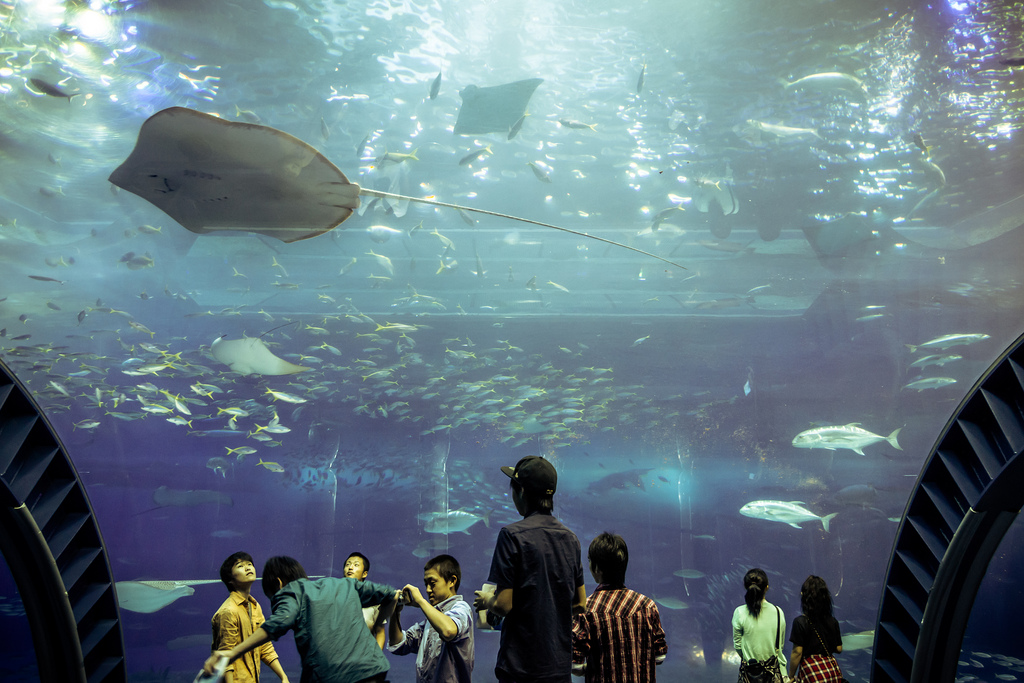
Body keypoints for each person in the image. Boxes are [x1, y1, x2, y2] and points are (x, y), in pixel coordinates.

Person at [474, 455, 587, 683]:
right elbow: (580, 603)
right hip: (558, 667)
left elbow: (504, 604)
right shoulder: (571, 539)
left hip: (520, 668)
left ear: (522, 492)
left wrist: (487, 601)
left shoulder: (511, 536)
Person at [203, 555, 401, 683]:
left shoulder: (290, 592)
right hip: (375, 672)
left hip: (329, 677)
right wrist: (378, 622)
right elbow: (391, 595)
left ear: (279, 584)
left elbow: (279, 623)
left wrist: (231, 653)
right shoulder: (343, 585)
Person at [571, 532, 667, 683]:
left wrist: (591, 669)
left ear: (597, 568)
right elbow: (660, 656)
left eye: (590, 561)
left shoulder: (586, 610)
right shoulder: (648, 606)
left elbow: (575, 664)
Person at [388, 554, 474, 683]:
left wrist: (421, 601)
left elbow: (448, 630)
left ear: (452, 581)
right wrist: (395, 612)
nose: (428, 590)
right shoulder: (430, 621)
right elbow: (398, 644)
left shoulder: (462, 608)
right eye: (426, 584)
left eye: (432, 583)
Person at [210, 551, 290, 683]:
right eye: (240, 566)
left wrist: (283, 676)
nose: (248, 568)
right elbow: (225, 657)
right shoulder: (228, 611)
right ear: (230, 579)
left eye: (249, 564)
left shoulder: (255, 606)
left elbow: (265, 647)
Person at [732, 568, 786, 683]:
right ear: (767, 588)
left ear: (746, 587)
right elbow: (779, 646)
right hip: (774, 675)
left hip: (749, 674)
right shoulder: (778, 612)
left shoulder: (739, 612)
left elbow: (737, 645)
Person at [788, 576, 843, 683]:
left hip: (812, 674)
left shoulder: (800, 622)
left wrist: (791, 676)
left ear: (804, 596)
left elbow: (797, 652)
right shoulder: (833, 621)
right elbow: (839, 649)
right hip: (831, 674)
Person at [344, 551, 387, 648]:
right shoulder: (333, 595)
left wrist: (376, 658)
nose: (350, 568)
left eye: (356, 565)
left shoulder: (375, 599)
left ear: (364, 573)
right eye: (347, 564)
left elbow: (380, 632)